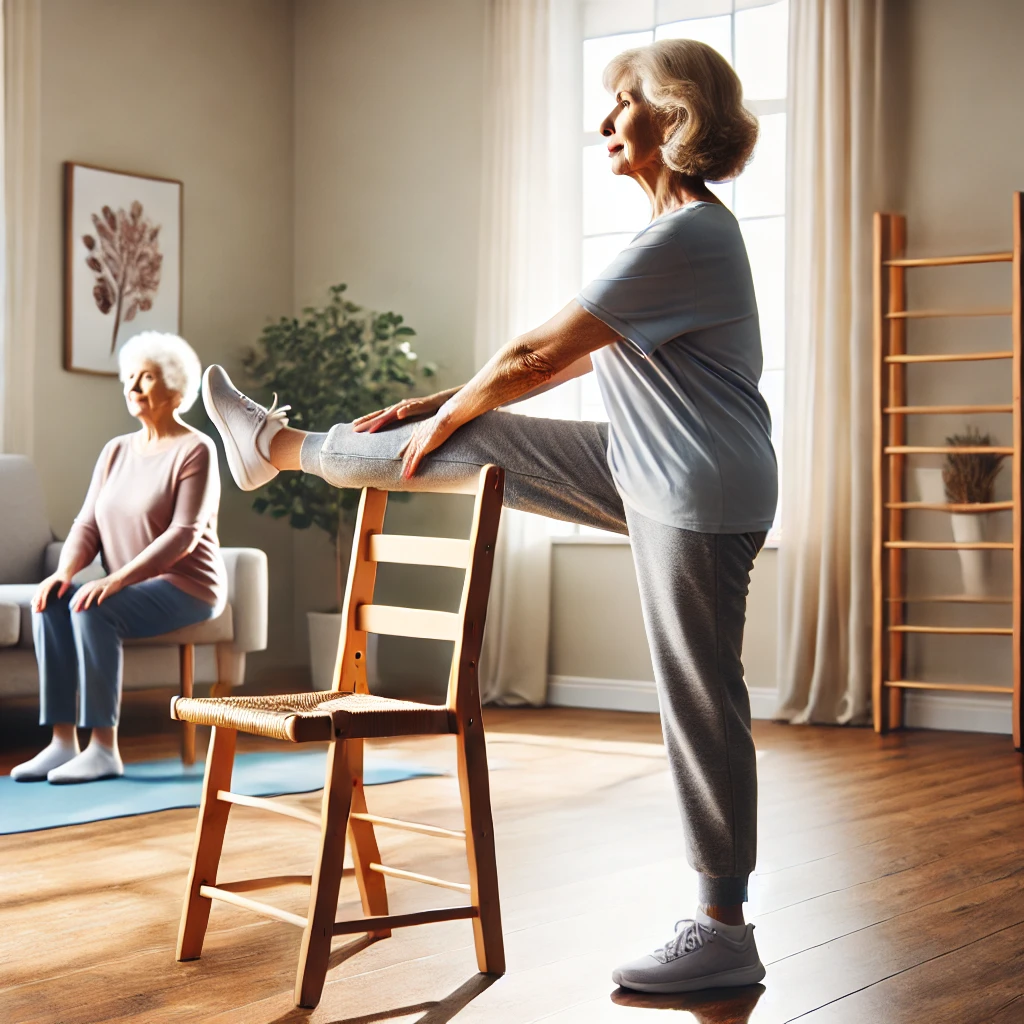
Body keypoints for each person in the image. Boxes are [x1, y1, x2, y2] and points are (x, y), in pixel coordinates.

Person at [203, 36, 775, 994]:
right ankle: (278, 448)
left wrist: (461, 398)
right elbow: (572, 358)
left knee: (699, 697)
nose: (604, 122)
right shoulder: (673, 237)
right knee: (475, 438)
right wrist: (443, 405)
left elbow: (533, 358)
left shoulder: (689, 237)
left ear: (672, 119)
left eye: (623, 102)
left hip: (697, 488)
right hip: (652, 464)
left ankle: (724, 928)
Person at [10, 333, 226, 785]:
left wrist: (116, 580)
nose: (133, 386)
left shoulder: (196, 449)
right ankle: (62, 742)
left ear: (176, 390)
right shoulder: (116, 451)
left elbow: (183, 535)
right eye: (129, 377)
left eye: (146, 377)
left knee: (95, 609)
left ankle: (104, 747)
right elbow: (86, 524)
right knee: (54, 599)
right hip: (132, 582)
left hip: (188, 586)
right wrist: (64, 574)